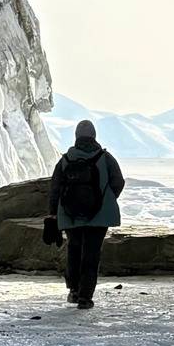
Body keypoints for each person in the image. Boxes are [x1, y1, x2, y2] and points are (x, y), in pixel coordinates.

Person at [49, 119, 125, 309]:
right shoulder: (105, 158)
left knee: (74, 250)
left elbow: (55, 188)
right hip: (99, 216)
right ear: (94, 136)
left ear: (76, 136)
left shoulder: (66, 160)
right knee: (92, 253)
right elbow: (118, 181)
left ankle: (74, 290)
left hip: (71, 214)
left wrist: (53, 214)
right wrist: (106, 200)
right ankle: (85, 297)